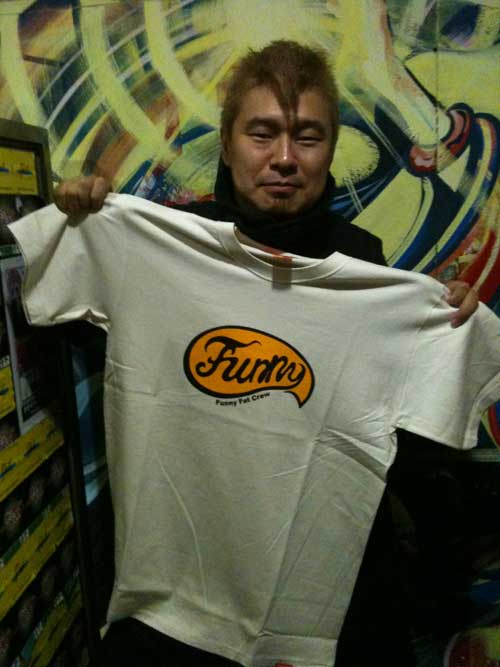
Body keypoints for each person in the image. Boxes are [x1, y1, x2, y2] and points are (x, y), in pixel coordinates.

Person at [48, 41, 479, 667]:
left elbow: (412, 442)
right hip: (183, 597)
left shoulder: (367, 267)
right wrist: (79, 222)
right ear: (227, 145)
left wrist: (442, 327)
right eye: (262, 133)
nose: (283, 158)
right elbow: (66, 327)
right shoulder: (162, 247)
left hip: (323, 601)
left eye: (307, 137)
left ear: (331, 149)